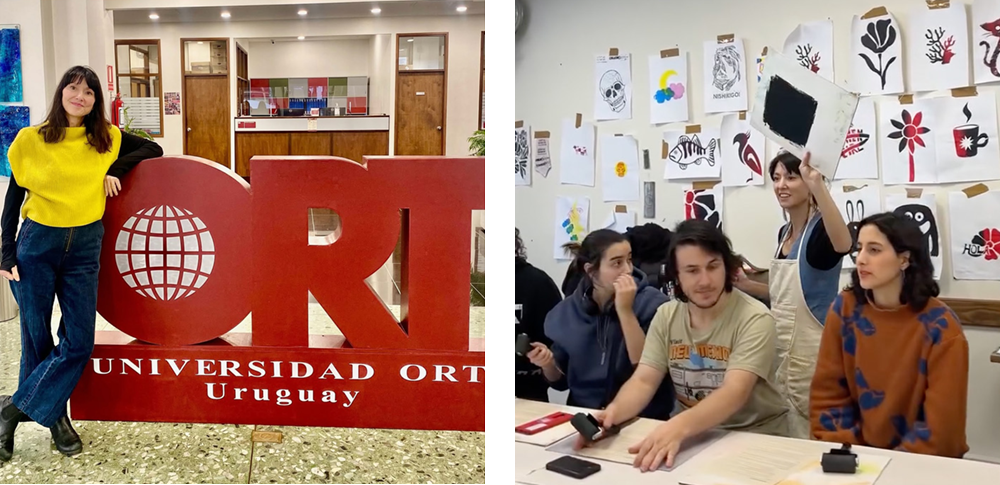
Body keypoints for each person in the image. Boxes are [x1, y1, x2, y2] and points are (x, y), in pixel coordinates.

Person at [0, 66, 163, 461]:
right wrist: (5, 252)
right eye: (74, 89)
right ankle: (57, 420)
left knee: (78, 340)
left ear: (96, 101)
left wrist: (114, 167)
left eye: (89, 92)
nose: (81, 96)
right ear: (62, 93)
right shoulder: (30, 139)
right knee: (36, 338)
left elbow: (153, 149)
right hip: (37, 242)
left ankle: (9, 411)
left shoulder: (105, 138)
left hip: (86, 243)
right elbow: (13, 199)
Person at [579, 220, 788, 471]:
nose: (705, 281)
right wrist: (612, 414)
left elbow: (735, 392)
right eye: (691, 270)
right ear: (676, 275)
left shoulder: (754, 318)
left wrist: (676, 427)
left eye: (713, 266)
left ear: (727, 266)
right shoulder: (667, 315)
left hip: (754, 436)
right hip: (692, 436)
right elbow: (644, 380)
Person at [810, 212, 968, 458]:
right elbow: (827, 397)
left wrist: (891, 466)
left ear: (904, 260)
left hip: (920, 464)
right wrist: (849, 456)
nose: (860, 259)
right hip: (855, 458)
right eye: (859, 248)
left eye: (874, 250)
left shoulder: (941, 327)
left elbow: (942, 430)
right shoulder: (844, 309)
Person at [733, 150, 852, 438]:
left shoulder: (822, 233)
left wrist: (817, 185)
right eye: (775, 178)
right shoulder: (784, 233)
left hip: (814, 351)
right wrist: (746, 285)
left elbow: (844, 242)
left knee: (813, 433)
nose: (781, 185)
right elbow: (786, 297)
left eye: (791, 176)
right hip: (781, 348)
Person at [527, 229, 673, 419]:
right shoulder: (564, 314)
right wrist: (547, 364)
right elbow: (560, 383)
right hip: (585, 416)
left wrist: (625, 311)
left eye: (629, 260)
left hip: (642, 416)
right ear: (590, 270)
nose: (627, 270)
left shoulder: (654, 304)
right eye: (617, 263)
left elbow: (645, 367)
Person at [514, 228, 563, 402]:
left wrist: (545, 358)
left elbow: (558, 344)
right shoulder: (473, 282)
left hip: (529, 391)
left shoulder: (538, 283)